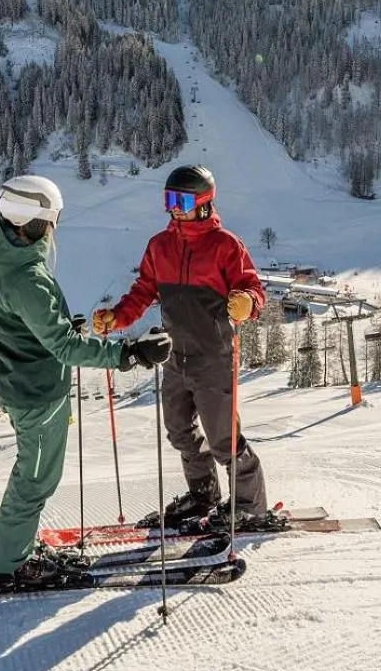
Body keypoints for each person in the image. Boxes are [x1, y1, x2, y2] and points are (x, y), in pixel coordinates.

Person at [0, 174, 173, 595]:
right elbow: (64, 349)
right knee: (34, 479)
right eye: (52, 220)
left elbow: (33, 326)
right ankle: (6, 567)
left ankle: (16, 551)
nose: (54, 229)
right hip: (37, 392)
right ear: (36, 222)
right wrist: (126, 354)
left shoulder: (2, 258)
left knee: (39, 475)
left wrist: (58, 327)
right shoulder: (27, 278)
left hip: (27, 382)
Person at [93, 164, 273, 528]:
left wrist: (248, 303)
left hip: (214, 357)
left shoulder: (225, 245)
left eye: (182, 200)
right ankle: (203, 495)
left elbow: (253, 289)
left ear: (204, 202)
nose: (174, 208)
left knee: (224, 439)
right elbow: (143, 291)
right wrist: (117, 318)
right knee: (178, 430)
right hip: (177, 356)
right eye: (169, 200)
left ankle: (249, 505)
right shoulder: (160, 246)